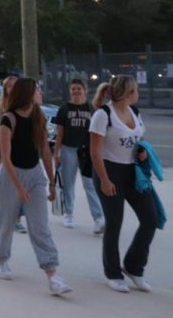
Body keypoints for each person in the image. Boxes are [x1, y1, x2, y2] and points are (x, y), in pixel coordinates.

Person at [0, 78, 71, 296]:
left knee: (40, 226)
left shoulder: (39, 117)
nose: (40, 93)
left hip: (35, 175)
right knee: (5, 223)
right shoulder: (8, 119)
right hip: (10, 176)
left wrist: (52, 182)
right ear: (27, 93)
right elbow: (5, 157)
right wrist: (18, 186)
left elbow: (44, 149)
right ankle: (0, 260)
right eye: (37, 90)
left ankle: (52, 274)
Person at [89, 75, 157, 293]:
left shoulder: (135, 112)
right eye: (136, 90)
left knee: (150, 219)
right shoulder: (103, 115)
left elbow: (139, 139)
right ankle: (112, 273)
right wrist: (105, 180)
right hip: (109, 171)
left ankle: (134, 266)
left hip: (132, 172)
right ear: (127, 93)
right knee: (114, 223)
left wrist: (143, 150)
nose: (139, 94)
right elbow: (95, 152)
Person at [53, 79, 105, 233]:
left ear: (85, 90)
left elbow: (98, 133)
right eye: (73, 89)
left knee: (90, 184)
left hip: (87, 151)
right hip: (68, 149)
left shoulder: (92, 109)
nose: (76, 91)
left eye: (78, 89)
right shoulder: (64, 109)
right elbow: (59, 133)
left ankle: (98, 218)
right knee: (68, 184)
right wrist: (56, 153)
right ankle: (68, 214)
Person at [0, 75, 26, 233]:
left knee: (20, 185)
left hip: (21, 154)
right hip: (4, 154)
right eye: (9, 86)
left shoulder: (25, 108)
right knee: (4, 187)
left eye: (15, 86)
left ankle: (16, 219)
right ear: (5, 89)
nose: (12, 89)